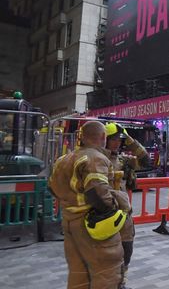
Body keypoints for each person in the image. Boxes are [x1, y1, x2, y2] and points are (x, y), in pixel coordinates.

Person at [48, 121, 130, 288]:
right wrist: (117, 205)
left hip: (70, 224)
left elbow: (52, 188)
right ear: (103, 137)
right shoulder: (96, 158)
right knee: (107, 274)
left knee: (78, 275)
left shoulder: (63, 159)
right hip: (92, 226)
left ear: (82, 137)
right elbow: (97, 194)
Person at [105, 122, 150, 289]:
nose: (117, 142)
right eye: (113, 139)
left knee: (126, 250)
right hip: (103, 214)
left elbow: (145, 160)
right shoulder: (95, 159)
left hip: (123, 215)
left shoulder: (123, 161)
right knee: (106, 253)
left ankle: (120, 283)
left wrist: (130, 139)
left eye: (119, 139)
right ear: (104, 140)